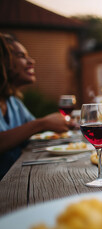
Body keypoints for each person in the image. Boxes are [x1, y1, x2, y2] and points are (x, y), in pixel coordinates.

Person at [0, 33, 70, 180]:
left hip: (18, 179)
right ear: (3, 62)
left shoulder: (13, 102)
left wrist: (65, 124)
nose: (31, 61)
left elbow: (32, 131)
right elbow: (35, 127)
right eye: (21, 56)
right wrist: (42, 123)